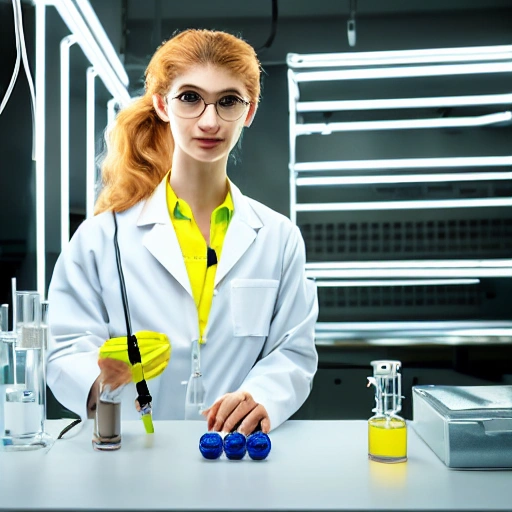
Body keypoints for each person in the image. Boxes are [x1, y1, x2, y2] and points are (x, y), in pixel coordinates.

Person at [47, 29, 318, 436]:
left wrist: (261, 395)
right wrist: (101, 380)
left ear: (249, 111)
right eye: (190, 98)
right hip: (131, 453)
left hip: (235, 453)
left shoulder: (278, 239)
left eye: (228, 101)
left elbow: (293, 353)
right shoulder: (102, 238)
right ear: (161, 103)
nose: (209, 121)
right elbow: (66, 346)